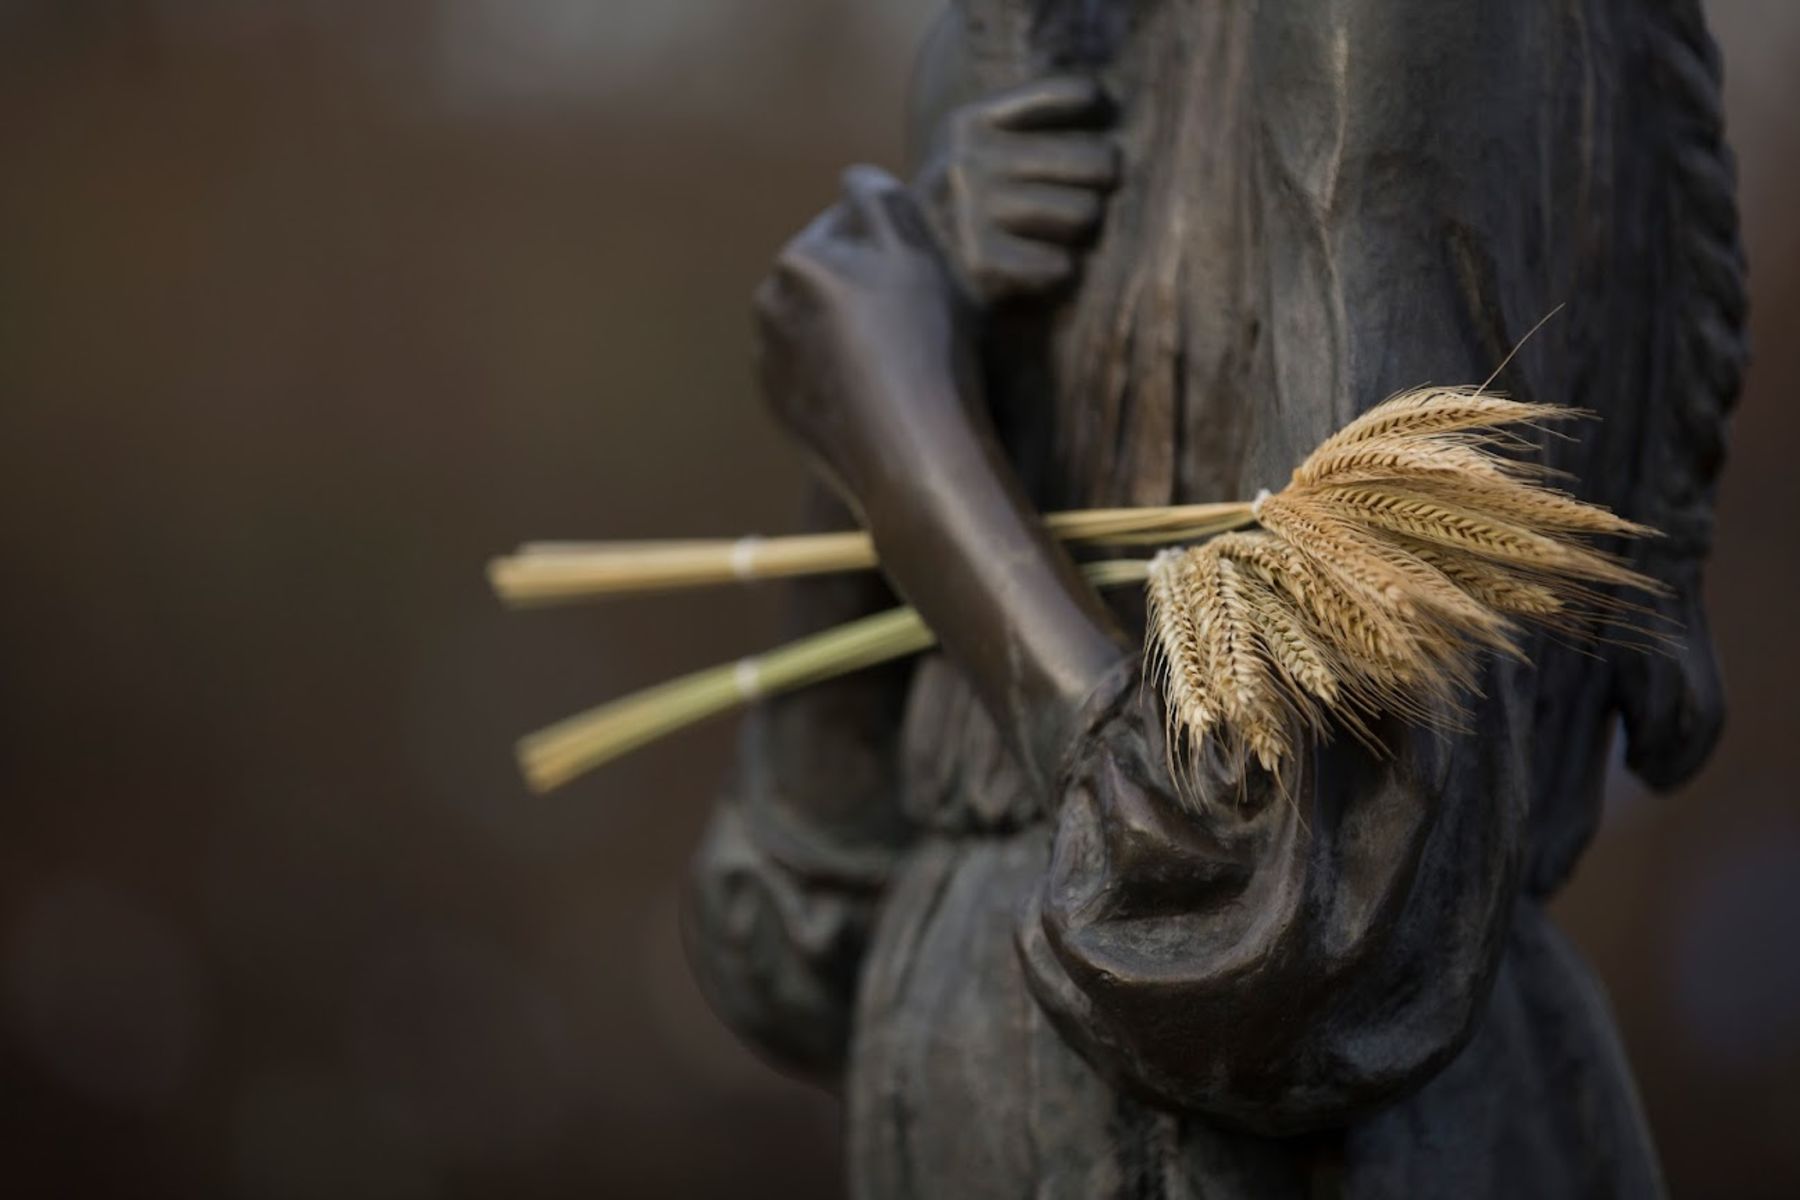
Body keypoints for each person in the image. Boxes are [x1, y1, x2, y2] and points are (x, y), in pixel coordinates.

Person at [683, 2, 1746, 1194]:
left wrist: (903, 446)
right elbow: (790, 938)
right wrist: (877, 445)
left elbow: (1301, 910)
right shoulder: (1010, 45)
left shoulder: (1376, 33)